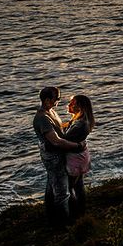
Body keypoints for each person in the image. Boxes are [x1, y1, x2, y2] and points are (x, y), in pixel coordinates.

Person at [33, 86, 86, 225]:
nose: (58, 101)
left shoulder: (51, 112)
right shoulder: (42, 118)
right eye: (56, 98)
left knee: (52, 185)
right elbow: (56, 141)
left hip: (56, 155)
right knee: (62, 192)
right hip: (53, 158)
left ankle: (50, 216)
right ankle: (64, 223)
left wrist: (74, 123)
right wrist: (78, 146)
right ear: (47, 100)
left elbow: (59, 127)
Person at [62, 94, 95, 217]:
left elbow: (62, 140)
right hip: (80, 156)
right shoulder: (79, 120)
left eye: (72, 103)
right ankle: (82, 212)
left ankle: (74, 214)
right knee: (79, 185)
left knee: (69, 188)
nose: (69, 105)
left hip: (75, 159)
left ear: (79, 106)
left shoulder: (80, 124)